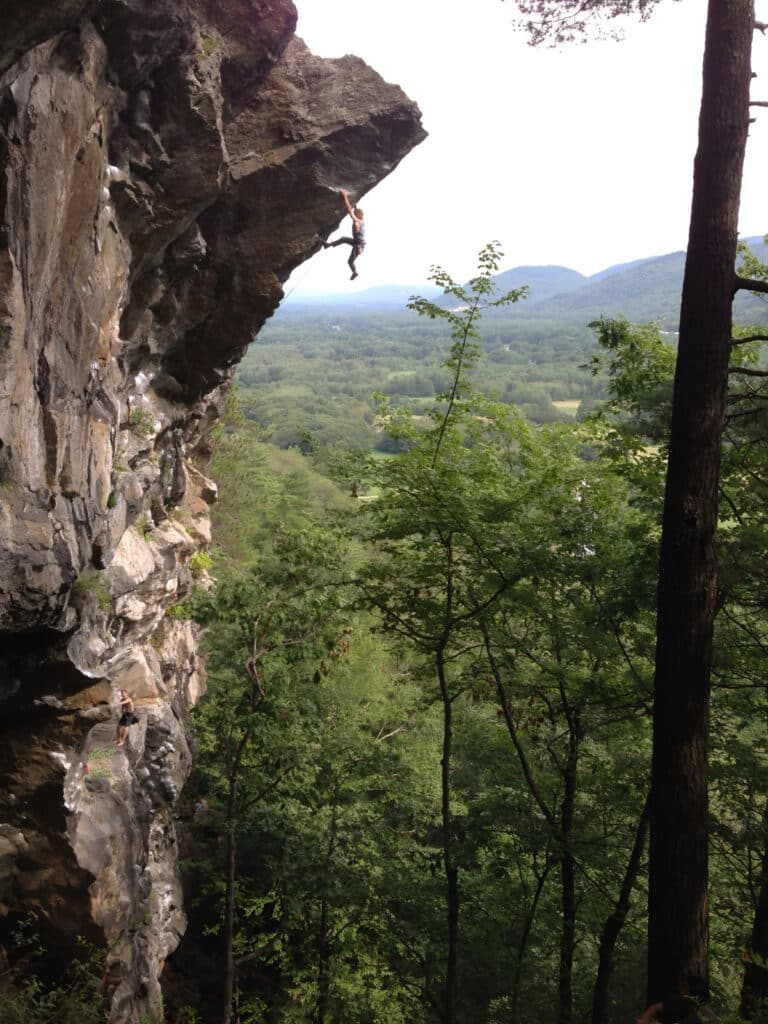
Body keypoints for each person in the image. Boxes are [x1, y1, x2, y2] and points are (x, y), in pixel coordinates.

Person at [323, 189, 365, 280]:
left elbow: (350, 210)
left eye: (354, 214)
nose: (352, 215)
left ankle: (355, 272)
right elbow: (354, 211)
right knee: (343, 239)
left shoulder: (357, 221)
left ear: (357, 215)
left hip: (358, 245)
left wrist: (345, 197)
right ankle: (328, 245)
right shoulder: (361, 220)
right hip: (357, 241)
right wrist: (355, 205)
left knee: (350, 262)